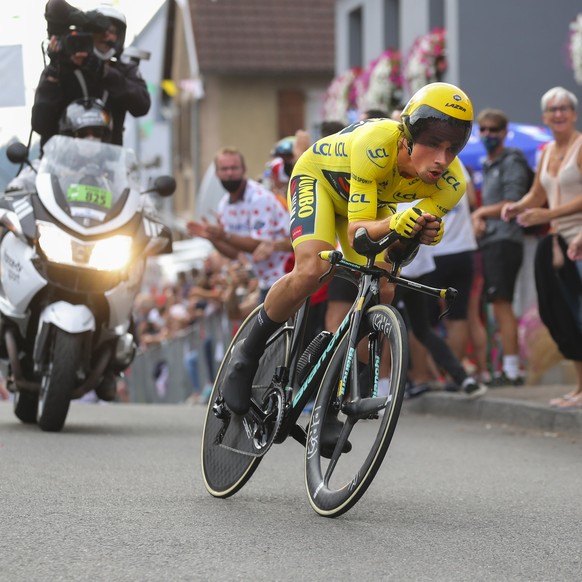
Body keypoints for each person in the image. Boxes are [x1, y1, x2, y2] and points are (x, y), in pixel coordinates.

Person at [221, 82, 481, 446]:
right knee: (314, 268)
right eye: (433, 144)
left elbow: (397, 250)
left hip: (371, 203)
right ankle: (246, 356)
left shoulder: (452, 184)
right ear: (407, 136)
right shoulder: (377, 145)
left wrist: (420, 233)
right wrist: (396, 223)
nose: (442, 158)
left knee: (384, 290)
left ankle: (328, 406)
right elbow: (360, 233)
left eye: (453, 148)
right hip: (321, 182)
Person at [501, 86, 582, 408]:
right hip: (560, 240)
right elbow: (537, 194)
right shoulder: (546, 151)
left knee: (579, 314)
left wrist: (549, 214)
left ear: (574, 113)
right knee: (561, 314)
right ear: (544, 117)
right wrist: (517, 206)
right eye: (553, 109)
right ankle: (579, 388)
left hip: (579, 237)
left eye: (564, 108)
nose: (559, 114)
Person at [32, 0, 150, 149]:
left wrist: (104, 72)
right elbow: (40, 124)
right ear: (87, 34)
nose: (106, 36)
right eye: (99, 30)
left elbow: (142, 105)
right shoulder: (64, 67)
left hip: (109, 165)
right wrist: (54, 72)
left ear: (120, 36)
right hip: (60, 166)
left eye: (112, 31)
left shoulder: (125, 70)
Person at [471, 108, 531, 386]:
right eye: (483, 129)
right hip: (493, 241)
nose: (488, 134)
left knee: (503, 304)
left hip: (505, 241)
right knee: (498, 304)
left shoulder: (512, 160)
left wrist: (481, 213)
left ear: (505, 133)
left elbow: (513, 201)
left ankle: (511, 370)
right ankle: (507, 366)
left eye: (494, 130)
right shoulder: (488, 163)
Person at [187, 147, 292, 303]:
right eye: (224, 169)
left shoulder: (259, 198)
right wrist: (213, 239)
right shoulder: (224, 206)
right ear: (217, 173)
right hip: (265, 281)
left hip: (287, 276)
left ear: (244, 170)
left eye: (234, 168)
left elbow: (259, 244)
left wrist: (224, 236)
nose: (229, 173)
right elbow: (236, 252)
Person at [6, 96, 113, 193]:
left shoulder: (113, 167)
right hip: (53, 215)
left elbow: (125, 189)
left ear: (105, 136)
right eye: (82, 134)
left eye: (97, 132)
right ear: (69, 136)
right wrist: (17, 186)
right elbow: (27, 179)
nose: (90, 138)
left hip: (108, 215)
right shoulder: (54, 163)